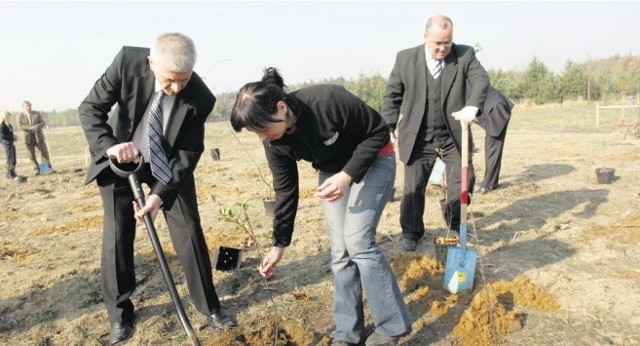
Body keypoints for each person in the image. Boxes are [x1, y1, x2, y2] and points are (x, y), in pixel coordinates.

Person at [230, 67, 412, 346]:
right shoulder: (274, 142)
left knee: (359, 242)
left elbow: (378, 133)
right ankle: (347, 334)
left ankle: (391, 327)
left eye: (263, 129)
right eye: (257, 133)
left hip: (375, 160)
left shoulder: (328, 100)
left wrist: (347, 175)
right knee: (340, 252)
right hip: (333, 173)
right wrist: (279, 244)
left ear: (281, 108)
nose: (263, 138)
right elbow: (285, 189)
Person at [78, 32, 235, 345]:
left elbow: (189, 152)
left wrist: (159, 194)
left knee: (189, 228)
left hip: (167, 164)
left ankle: (209, 306)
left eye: (184, 79)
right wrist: (111, 146)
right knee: (118, 234)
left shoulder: (200, 98)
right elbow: (90, 109)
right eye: (169, 79)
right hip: (121, 159)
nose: (176, 88)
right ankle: (120, 314)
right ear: (151, 63)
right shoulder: (126, 62)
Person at [381, 15, 489, 252]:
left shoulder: (465, 55)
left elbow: (481, 80)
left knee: (464, 180)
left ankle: (455, 222)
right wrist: (388, 126)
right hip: (418, 137)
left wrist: (473, 105)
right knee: (413, 187)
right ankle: (411, 231)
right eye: (437, 43)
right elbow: (392, 96)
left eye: (447, 43)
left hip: (453, 136)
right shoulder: (405, 59)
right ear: (425, 37)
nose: (443, 48)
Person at [474, 86, 514, 194]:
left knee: (492, 149)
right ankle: (490, 182)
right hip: (491, 109)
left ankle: (489, 185)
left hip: (497, 110)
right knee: (490, 148)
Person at [18, 100, 52, 175]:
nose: (29, 107)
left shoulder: (37, 113)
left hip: (38, 137)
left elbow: (42, 123)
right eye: (27, 106)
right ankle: (37, 169)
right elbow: (20, 126)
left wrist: (37, 126)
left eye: (30, 105)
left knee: (44, 153)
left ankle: (45, 169)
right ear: (23, 107)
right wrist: (30, 128)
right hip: (28, 138)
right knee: (31, 155)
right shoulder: (20, 116)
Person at [1, 109, 19, 180]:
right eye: (8, 115)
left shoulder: (9, 125)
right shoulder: (1, 126)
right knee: (10, 160)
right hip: (7, 144)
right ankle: (10, 174)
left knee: (14, 159)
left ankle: (12, 172)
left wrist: (14, 137)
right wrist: (11, 137)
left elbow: (9, 134)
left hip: (11, 143)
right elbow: (2, 136)